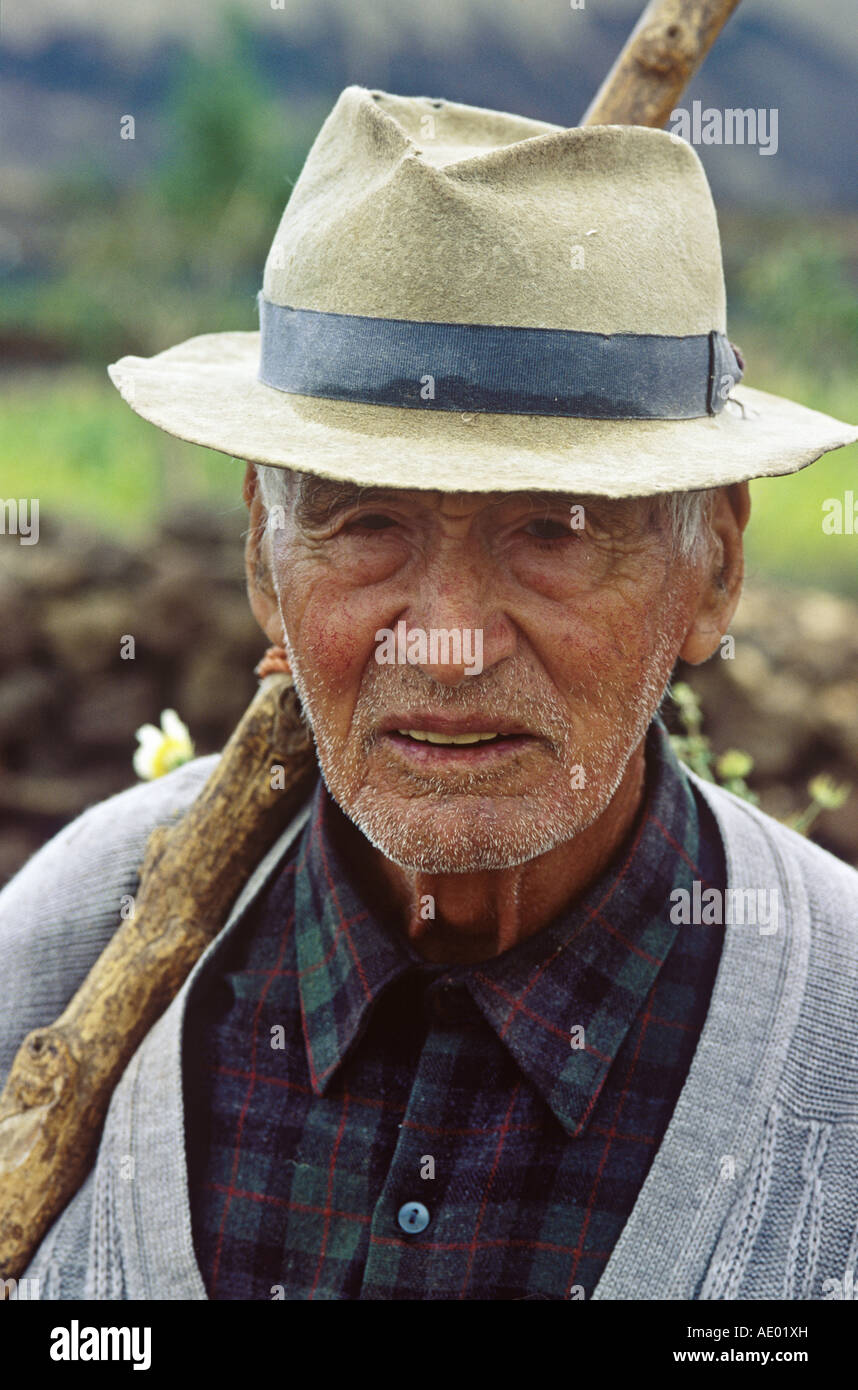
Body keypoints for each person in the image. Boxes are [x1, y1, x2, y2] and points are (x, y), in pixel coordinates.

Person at [2, 86, 857, 1301]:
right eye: (369, 524)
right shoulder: (59, 958)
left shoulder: (838, 1053)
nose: (449, 644)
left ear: (712, 564)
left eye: (553, 532)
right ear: (262, 555)